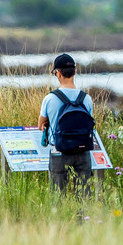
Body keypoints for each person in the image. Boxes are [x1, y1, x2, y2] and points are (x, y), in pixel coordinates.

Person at [37, 53, 97, 195]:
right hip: (83, 152)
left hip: (59, 151)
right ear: (75, 72)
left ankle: (60, 218)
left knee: (58, 196)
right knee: (83, 196)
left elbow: (41, 125)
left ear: (57, 73)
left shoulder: (50, 98)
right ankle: (83, 218)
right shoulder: (86, 98)